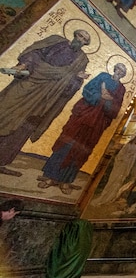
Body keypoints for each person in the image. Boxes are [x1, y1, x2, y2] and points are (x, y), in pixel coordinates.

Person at [0, 30, 91, 177]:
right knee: (4, 111)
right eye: (80, 36)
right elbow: (35, 52)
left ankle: (2, 162)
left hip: (46, 97)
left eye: (84, 40)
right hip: (29, 83)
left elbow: (70, 88)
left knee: (24, 126)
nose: (80, 40)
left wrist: (76, 78)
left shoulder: (82, 60)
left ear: (86, 44)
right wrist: (25, 65)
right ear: (75, 35)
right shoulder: (56, 40)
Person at [38, 63, 127, 194]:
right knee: (67, 143)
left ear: (123, 75)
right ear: (114, 69)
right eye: (118, 69)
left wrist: (108, 102)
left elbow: (116, 108)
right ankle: (51, 177)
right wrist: (100, 97)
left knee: (82, 150)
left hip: (97, 123)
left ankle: (65, 181)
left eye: (122, 72)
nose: (119, 72)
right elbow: (88, 89)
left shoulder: (121, 89)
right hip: (84, 115)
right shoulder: (103, 76)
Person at [91, 131, 136, 207]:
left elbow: (132, 159)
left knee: (118, 183)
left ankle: (110, 198)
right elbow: (120, 156)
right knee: (112, 181)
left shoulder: (135, 147)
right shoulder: (128, 145)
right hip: (120, 166)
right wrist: (128, 156)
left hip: (126, 166)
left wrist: (131, 159)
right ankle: (103, 199)